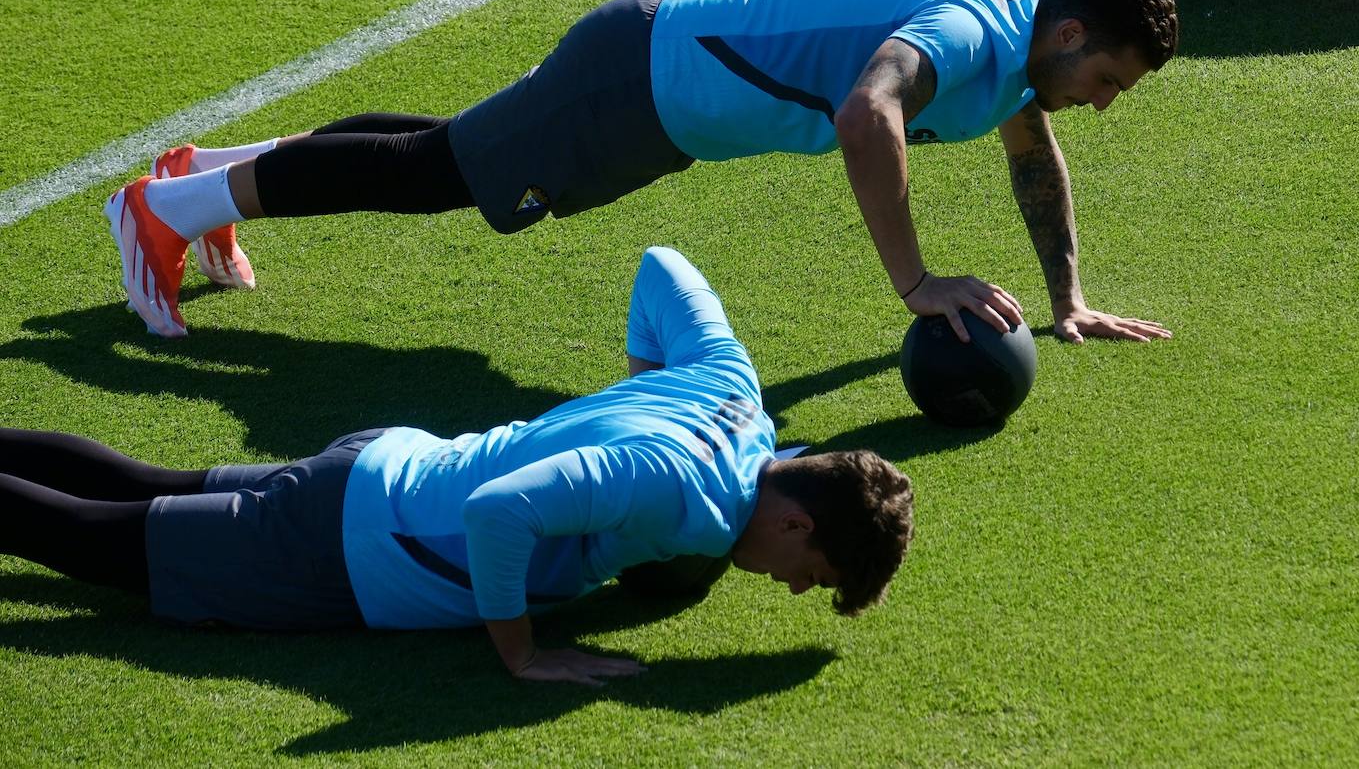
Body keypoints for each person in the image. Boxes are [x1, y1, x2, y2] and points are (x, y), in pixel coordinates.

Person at [105, 0, 1177, 346]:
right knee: (438, 175)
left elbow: (1030, 153)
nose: (1101, 104)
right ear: (1071, 34)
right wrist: (915, 281)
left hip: (655, 75)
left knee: (450, 149)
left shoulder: (1019, 41)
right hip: (643, 83)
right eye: (1107, 81)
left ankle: (206, 179)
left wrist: (1068, 296)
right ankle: (164, 212)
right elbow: (868, 114)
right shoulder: (979, 31)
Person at [1, 247, 914, 686]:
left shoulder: (738, 397)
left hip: (383, 465)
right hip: (360, 548)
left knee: (138, 487)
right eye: (813, 573)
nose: (795, 586)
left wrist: (635, 393)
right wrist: (524, 655)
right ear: (796, 521)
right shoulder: (691, 503)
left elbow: (663, 266)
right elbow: (498, 514)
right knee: (90, 538)